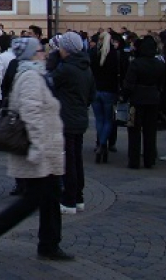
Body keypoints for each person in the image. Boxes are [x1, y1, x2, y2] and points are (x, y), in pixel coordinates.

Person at [0, 38, 72, 261]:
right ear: (30, 54)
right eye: (40, 51)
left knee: (49, 197)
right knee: (34, 199)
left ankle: (49, 244)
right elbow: (31, 113)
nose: (44, 54)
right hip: (38, 149)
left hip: (46, 148)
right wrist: (38, 146)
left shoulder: (36, 75)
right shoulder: (29, 77)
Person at [51, 31, 95, 214]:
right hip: (80, 117)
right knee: (76, 158)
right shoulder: (86, 67)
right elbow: (92, 94)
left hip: (66, 118)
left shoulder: (66, 68)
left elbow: (50, 82)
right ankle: (78, 197)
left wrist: (52, 61)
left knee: (67, 161)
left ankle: (68, 200)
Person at [122, 36, 165, 169]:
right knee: (150, 131)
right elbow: (162, 84)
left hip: (136, 99)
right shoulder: (159, 64)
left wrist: (124, 96)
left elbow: (129, 83)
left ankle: (134, 160)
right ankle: (149, 159)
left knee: (134, 130)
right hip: (153, 99)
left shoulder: (135, 63)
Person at [89, 31, 119, 164]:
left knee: (99, 119)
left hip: (96, 89)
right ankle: (103, 144)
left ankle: (100, 144)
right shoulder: (113, 54)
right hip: (109, 90)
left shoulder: (93, 53)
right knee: (108, 120)